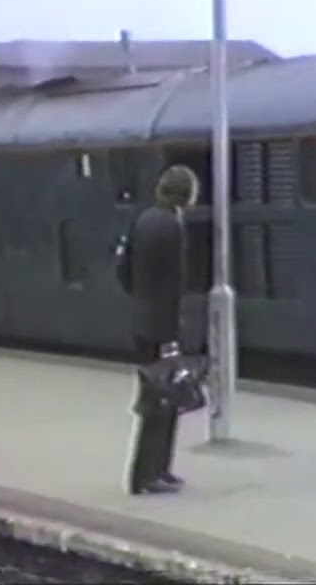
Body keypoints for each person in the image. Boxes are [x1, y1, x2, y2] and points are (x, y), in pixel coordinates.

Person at [116, 164, 199, 496]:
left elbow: (122, 270)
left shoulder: (143, 219)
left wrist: (140, 300)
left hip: (142, 322)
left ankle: (157, 470)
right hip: (161, 327)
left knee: (158, 399)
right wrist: (172, 336)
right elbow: (174, 285)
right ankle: (147, 475)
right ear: (186, 193)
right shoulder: (172, 226)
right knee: (160, 401)